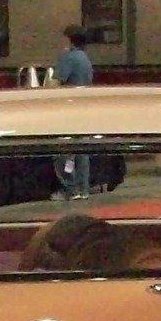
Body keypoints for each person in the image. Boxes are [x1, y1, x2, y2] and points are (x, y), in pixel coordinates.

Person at [51, 26, 95, 196]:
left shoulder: (67, 57)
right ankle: (83, 188)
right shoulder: (85, 58)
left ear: (69, 39)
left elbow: (56, 82)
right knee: (82, 151)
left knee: (65, 153)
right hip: (83, 109)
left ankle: (69, 188)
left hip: (67, 109)